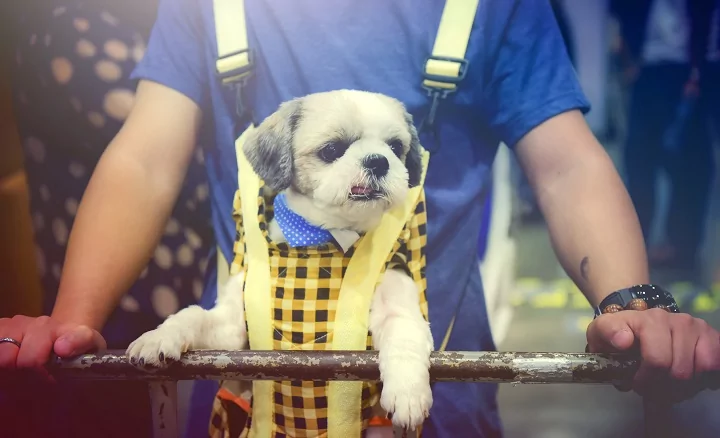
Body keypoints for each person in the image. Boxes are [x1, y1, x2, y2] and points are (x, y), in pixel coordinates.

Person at [1, 1, 719, 437]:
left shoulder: (494, 3)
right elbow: (146, 158)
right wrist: (71, 321)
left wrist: (633, 304)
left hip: (436, 398)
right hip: (248, 396)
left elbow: (566, 164)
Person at [3, 1, 213, 436]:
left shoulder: (154, 24)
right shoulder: (66, 26)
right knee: (112, 406)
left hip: (174, 294)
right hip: (123, 294)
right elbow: (154, 160)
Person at [612, 0, 717, 273]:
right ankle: (634, 248)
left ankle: (682, 250)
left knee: (692, 169)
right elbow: (622, 17)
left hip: (690, 76)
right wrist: (628, 64)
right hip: (648, 73)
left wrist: (700, 73)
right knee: (639, 166)